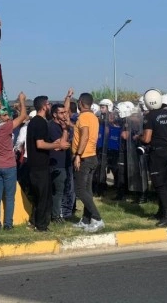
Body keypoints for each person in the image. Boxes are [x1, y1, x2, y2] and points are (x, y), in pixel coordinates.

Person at [28, 95, 69, 232]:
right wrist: (55, 146)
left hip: (38, 165)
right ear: (44, 105)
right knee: (43, 197)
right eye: (48, 103)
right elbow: (40, 144)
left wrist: (56, 145)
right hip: (39, 165)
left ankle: (34, 222)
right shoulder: (39, 122)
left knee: (40, 196)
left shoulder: (36, 121)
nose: (50, 106)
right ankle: (41, 226)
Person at [0, 92, 27, 231]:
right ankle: (8, 224)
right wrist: (22, 101)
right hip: (9, 166)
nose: (8, 117)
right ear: (0, 116)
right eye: (5, 115)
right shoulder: (6, 127)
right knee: (10, 197)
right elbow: (23, 116)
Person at [139, 89, 167, 227]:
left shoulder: (150, 117)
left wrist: (139, 136)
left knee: (159, 184)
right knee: (164, 183)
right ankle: (161, 211)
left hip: (157, 154)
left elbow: (147, 139)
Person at [70, 91, 105, 233]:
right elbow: (83, 132)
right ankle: (86, 219)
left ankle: (97, 218)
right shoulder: (93, 117)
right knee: (87, 190)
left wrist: (78, 154)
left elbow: (84, 136)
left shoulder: (83, 116)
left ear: (80, 103)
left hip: (84, 158)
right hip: (92, 156)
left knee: (80, 190)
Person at [48, 103, 72, 223]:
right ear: (54, 114)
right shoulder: (51, 126)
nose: (64, 115)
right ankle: (56, 215)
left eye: (65, 112)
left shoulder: (63, 125)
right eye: (61, 113)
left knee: (65, 190)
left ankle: (65, 212)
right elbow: (61, 143)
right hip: (56, 163)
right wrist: (65, 129)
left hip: (66, 162)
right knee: (58, 191)